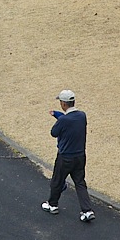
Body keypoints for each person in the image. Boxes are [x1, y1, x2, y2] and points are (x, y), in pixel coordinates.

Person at [42, 90, 94, 221]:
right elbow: (70, 121)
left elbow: (54, 132)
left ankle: (53, 204)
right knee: (80, 182)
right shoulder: (82, 115)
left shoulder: (64, 120)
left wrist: (58, 116)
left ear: (64, 104)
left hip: (65, 157)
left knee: (57, 180)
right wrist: (58, 115)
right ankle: (87, 210)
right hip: (80, 156)